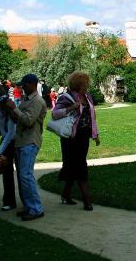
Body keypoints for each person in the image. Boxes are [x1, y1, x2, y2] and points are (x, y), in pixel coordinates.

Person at [52, 71, 100, 211]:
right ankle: (87, 200)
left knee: (73, 165)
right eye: (85, 83)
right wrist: (71, 107)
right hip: (70, 137)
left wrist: (95, 134)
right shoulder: (66, 97)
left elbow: (92, 116)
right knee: (79, 165)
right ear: (79, 84)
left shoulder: (88, 96)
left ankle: (66, 194)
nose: (87, 85)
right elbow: (55, 114)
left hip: (83, 136)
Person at [4, 73, 47, 221]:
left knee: (26, 176)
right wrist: (10, 109)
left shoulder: (38, 101)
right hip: (21, 141)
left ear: (32, 84)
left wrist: (14, 109)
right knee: (22, 176)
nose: (22, 87)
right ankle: (29, 207)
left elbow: (28, 121)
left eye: (24, 85)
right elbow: (18, 118)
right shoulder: (25, 100)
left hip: (30, 141)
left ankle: (36, 209)